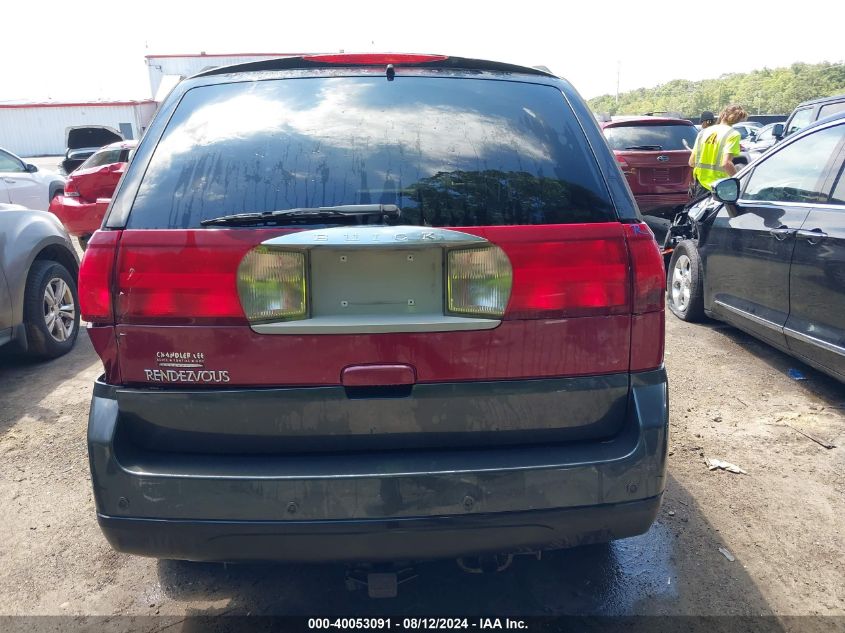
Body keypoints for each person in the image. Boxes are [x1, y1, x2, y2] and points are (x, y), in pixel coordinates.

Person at [688, 104, 748, 200]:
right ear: (738, 120)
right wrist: (738, 180)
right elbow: (726, 164)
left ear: (722, 114)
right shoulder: (733, 134)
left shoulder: (703, 132)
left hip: (701, 186)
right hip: (720, 187)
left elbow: (691, 162)